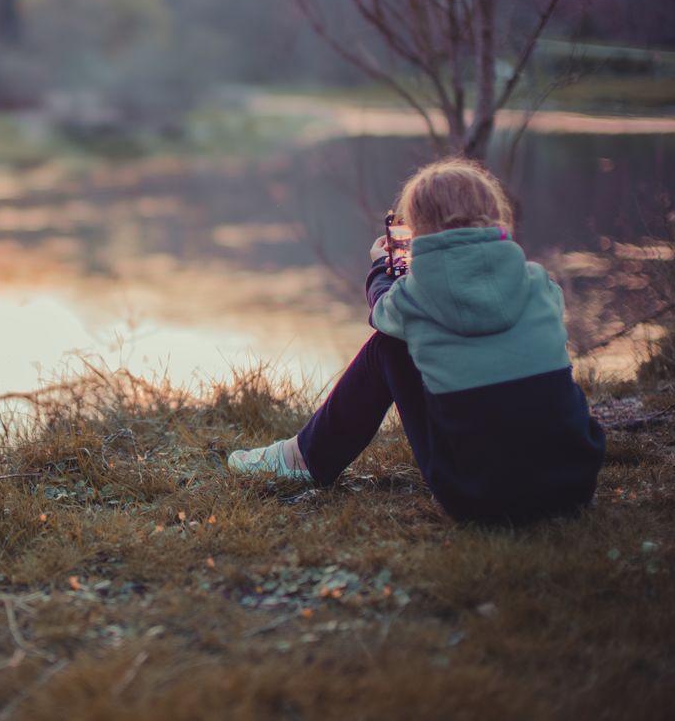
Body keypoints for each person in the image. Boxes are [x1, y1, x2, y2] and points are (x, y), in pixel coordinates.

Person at [228, 157, 605, 524]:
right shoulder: (539, 282)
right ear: (493, 213)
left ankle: (303, 458)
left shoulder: (416, 296)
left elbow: (382, 311)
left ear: (418, 227)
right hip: (574, 484)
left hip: (478, 496)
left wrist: (382, 268)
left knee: (389, 344)